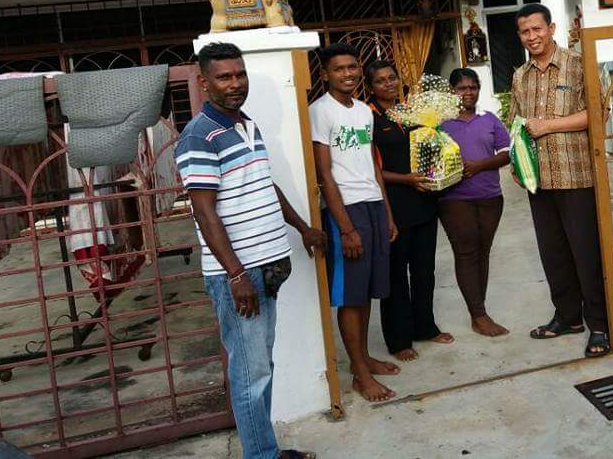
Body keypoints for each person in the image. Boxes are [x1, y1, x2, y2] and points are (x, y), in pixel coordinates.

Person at [175, 42, 324, 459]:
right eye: (224, 77)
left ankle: (265, 451)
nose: (235, 83)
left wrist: (302, 228)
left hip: (266, 266)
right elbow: (204, 213)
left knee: (261, 367)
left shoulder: (246, 124)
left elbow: (264, 184)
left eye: (239, 74)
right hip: (240, 275)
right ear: (204, 83)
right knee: (250, 373)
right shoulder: (199, 136)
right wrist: (237, 274)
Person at [509, 3, 610, 358]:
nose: (532, 37)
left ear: (551, 29)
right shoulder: (520, 76)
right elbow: (517, 123)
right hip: (539, 180)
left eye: (537, 29)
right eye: (525, 32)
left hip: (576, 175)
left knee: (586, 254)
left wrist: (549, 125)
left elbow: (599, 113)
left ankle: (599, 324)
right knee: (553, 255)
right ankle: (568, 317)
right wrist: (517, 162)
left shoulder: (578, 64)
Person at [309, 44, 399, 402]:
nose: (348, 74)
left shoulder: (363, 111)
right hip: (346, 210)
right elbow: (325, 175)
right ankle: (360, 374)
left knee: (368, 290)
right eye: (339, 69)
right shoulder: (320, 112)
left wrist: (387, 213)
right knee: (350, 295)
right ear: (325, 75)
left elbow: (373, 165)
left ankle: (363, 359)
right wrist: (345, 228)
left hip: (373, 204)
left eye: (352, 67)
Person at [365, 59, 454, 361]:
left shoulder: (411, 112)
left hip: (423, 202)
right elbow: (371, 168)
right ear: (370, 86)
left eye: (392, 77)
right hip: (393, 206)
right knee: (396, 275)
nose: (388, 84)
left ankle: (426, 328)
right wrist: (406, 179)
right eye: (380, 80)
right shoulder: (368, 118)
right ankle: (399, 339)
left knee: (424, 270)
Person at [439, 68, 511, 337]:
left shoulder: (489, 119)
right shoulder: (440, 124)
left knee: (483, 251)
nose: (468, 92)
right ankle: (479, 315)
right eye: (461, 88)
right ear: (452, 91)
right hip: (455, 199)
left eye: (473, 87)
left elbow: (506, 153)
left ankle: (478, 310)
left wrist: (479, 165)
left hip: (490, 196)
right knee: (466, 252)